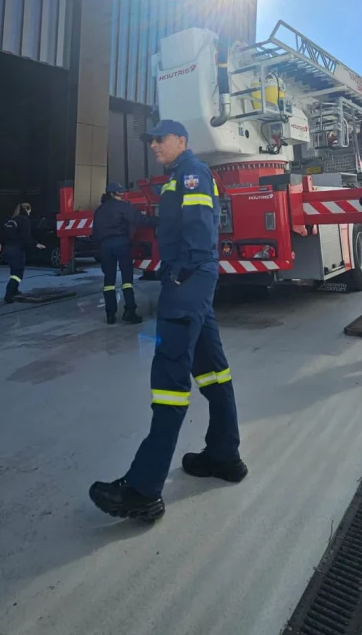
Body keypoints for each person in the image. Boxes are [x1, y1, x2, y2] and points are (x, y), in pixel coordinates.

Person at [89, 120, 247, 522]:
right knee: (213, 371)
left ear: (181, 141)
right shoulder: (179, 176)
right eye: (151, 140)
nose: (154, 145)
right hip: (194, 280)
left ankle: (143, 489)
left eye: (160, 139)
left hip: (188, 280)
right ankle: (224, 456)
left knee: (169, 382)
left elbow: (198, 228)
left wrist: (179, 273)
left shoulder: (192, 173)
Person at [92, 182, 152, 325]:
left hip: (105, 246)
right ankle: (129, 311)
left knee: (109, 281)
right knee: (127, 280)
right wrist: (160, 220)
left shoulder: (99, 210)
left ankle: (110, 314)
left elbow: (94, 233)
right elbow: (140, 220)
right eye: (120, 192)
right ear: (113, 194)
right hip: (121, 244)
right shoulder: (124, 207)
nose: (122, 194)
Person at [0, 203, 45, 304]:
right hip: (16, 250)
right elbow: (25, 237)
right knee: (17, 274)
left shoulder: (11, 220)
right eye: (30, 211)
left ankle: (15, 290)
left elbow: (3, 233)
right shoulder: (25, 220)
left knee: (14, 271)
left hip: (7, 250)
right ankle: (9, 295)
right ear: (27, 209)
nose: (30, 213)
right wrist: (36, 244)